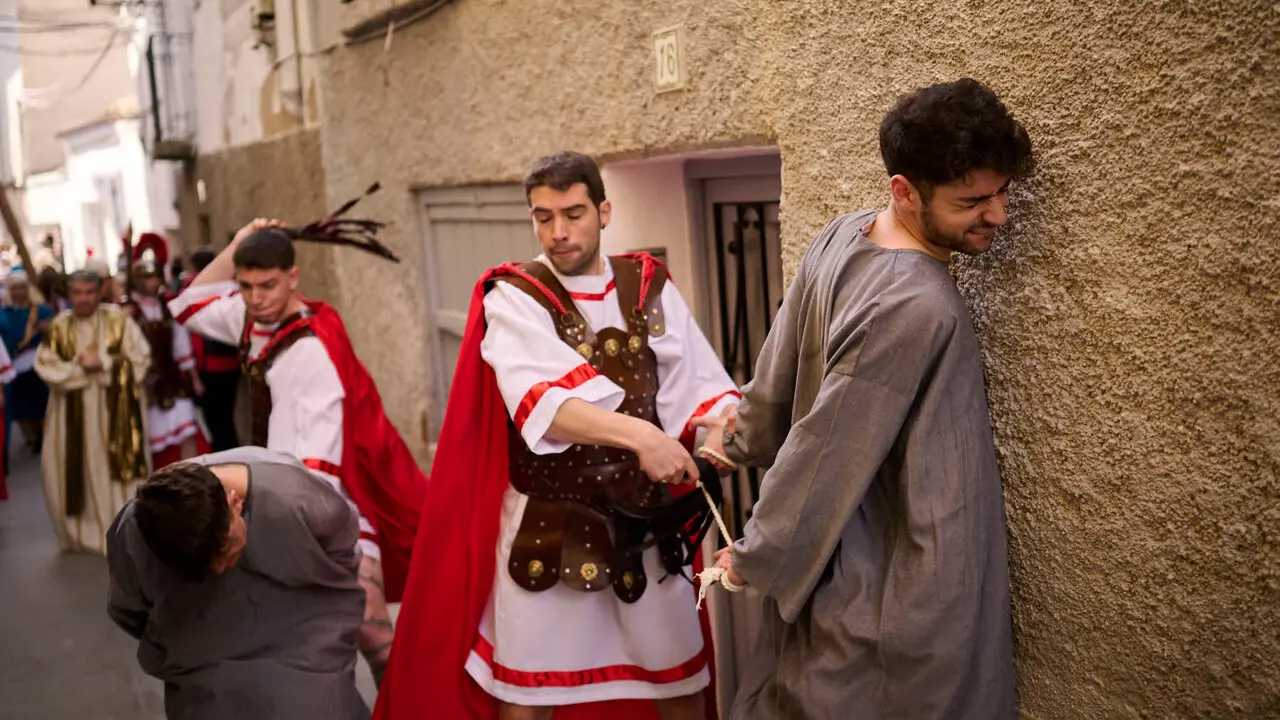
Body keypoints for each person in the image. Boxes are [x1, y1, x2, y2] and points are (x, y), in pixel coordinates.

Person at [693, 78, 1032, 720]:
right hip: (892, 587)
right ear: (904, 191)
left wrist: (735, 441)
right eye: (972, 202)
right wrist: (756, 555)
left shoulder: (842, 235)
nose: (998, 216)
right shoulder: (917, 303)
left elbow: (777, 367)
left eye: (1001, 193)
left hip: (857, 572)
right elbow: (828, 448)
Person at [375, 152, 741, 720]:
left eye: (573, 213)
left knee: (680, 689)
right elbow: (546, 405)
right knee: (529, 698)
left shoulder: (646, 286)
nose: (559, 231)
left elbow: (697, 385)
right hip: (548, 526)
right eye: (543, 217)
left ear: (604, 210)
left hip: (646, 525)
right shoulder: (514, 297)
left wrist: (718, 428)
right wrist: (645, 439)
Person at [168, 222, 425, 687]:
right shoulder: (251, 318)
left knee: (366, 631)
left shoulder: (311, 349)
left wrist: (303, 532)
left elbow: (319, 463)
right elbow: (185, 305)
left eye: (268, 285)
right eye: (245, 286)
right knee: (329, 641)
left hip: (325, 504)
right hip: (282, 494)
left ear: (293, 277)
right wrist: (238, 239)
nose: (257, 296)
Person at [106, 447, 370, 720]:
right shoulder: (135, 534)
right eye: (205, 566)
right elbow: (128, 609)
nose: (220, 568)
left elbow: (342, 565)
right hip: (203, 671)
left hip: (307, 650)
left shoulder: (304, 503)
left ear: (235, 503)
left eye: (226, 548)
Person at [35, 270, 150, 554]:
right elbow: (45, 365)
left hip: (116, 412)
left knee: (117, 473)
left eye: (89, 292)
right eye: (77, 293)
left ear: (100, 292)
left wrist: (104, 364)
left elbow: (142, 359)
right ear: (68, 294)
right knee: (74, 469)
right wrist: (80, 371)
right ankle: (82, 536)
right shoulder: (59, 327)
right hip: (70, 414)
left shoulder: (119, 321)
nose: (84, 299)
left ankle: (124, 529)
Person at [122, 234, 208, 468]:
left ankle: (193, 477)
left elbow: (181, 343)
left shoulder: (167, 304)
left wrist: (193, 376)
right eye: (146, 278)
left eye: (154, 277)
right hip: (146, 384)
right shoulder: (126, 311)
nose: (152, 283)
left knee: (187, 431)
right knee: (155, 442)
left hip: (172, 377)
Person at [183, 247, 240, 452]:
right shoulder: (227, 289)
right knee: (225, 420)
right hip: (230, 364)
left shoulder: (195, 292)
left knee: (216, 421)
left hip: (210, 367)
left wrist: (195, 372)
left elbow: (194, 334)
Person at [0, 269, 55, 469]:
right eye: (15, 288)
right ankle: (36, 436)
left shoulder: (41, 310)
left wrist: (47, 328)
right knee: (23, 408)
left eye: (23, 287)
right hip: (15, 367)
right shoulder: (3, 314)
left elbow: (58, 330)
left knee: (43, 404)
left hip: (39, 364)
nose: (19, 292)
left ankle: (46, 438)